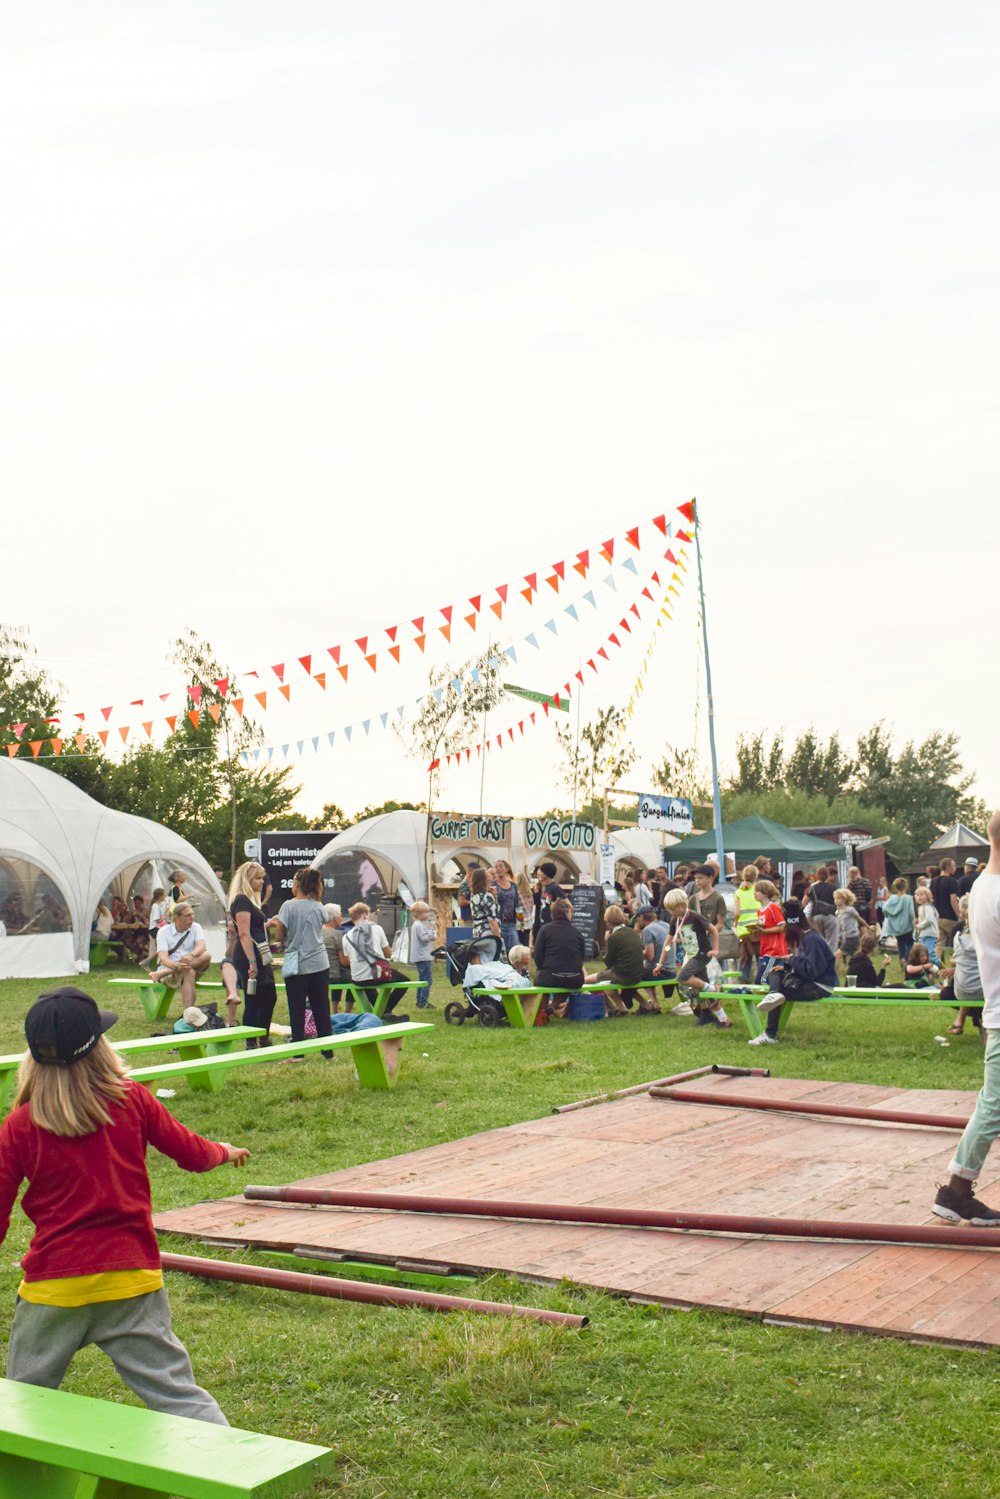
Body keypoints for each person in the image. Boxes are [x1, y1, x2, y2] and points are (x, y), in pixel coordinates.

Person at [0, 987, 248, 1421]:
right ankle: (233, 1475)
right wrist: (224, 1150)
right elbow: (192, 1153)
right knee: (179, 1396)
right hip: (131, 1278)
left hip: (54, 1287)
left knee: (23, 1408)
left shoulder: (20, 1125)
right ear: (99, 1048)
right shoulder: (132, 1099)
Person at [749, 910, 837, 1045]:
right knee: (775, 973)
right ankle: (773, 994)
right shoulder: (807, 937)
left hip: (820, 986)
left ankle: (770, 1034)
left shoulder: (811, 940)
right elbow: (807, 965)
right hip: (814, 981)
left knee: (780, 992)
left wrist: (792, 960)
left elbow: (813, 970)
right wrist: (787, 967)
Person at [271, 868, 333, 1049]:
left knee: (296, 1008)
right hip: (320, 963)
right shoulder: (319, 906)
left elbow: (280, 936)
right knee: (321, 1007)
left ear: (296, 884)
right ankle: (328, 1050)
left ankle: (298, 1051)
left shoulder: (288, 906)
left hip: (296, 964)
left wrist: (278, 925)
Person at [228, 862, 277, 1048]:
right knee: (255, 998)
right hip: (249, 954)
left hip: (259, 951)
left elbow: (252, 928)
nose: (262, 881)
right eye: (258, 878)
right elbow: (243, 933)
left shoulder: (250, 901)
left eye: (262, 877)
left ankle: (262, 1036)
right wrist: (252, 962)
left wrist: (267, 924)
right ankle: (252, 1041)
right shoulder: (241, 900)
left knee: (269, 996)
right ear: (247, 880)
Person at [663, 888, 727, 1026]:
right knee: (700, 986)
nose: (670, 912)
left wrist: (715, 949)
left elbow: (714, 930)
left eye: (672, 909)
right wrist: (660, 963)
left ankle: (713, 988)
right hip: (692, 955)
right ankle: (720, 1019)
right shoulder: (675, 920)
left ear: (682, 906)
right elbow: (667, 943)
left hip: (703, 954)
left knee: (682, 977)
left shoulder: (695, 917)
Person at [343, 903, 410, 1019]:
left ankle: (384, 1013)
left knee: (367, 981)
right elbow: (388, 953)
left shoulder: (346, 937)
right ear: (365, 916)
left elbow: (348, 960)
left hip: (357, 978)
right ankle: (386, 1011)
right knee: (404, 981)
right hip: (378, 975)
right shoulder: (376, 928)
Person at [151, 903, 210, 1008]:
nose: (191, 918)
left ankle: (190, 1013)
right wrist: (175, 966)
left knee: (207, 955)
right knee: (189, 972)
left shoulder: (196, 927)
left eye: (192, 914)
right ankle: (190, 1012)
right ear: (176, 917)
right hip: (170, 968)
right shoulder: (164, 931)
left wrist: (191, 955)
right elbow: (163, 958)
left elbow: (201, 945)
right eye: (187, 915)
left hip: (188, 965)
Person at [941, 893, 984, 1036]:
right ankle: (982, 1023)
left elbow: (955, 958)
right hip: (983, 984)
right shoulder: (988, 930)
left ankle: (962, 1021)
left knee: (967, 987)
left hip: (965, 987)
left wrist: (958, 966)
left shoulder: (958, 932)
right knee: (981, 983)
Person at [594, 905, 646, 1016]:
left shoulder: (614, 937)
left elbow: (608, 962)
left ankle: (618, 1008)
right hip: (638, 973)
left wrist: (606, 941)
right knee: (611, 979)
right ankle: (646, 1004)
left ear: (608, 921)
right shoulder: (632, 932)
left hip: (623, 975)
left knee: (594, 980)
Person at [532, 898, 587, 997]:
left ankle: (544, 1008)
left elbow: (538, 956)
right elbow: (581, 957)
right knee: (564, 982)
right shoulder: (577, 932)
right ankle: (553, 1007)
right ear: (567, 913)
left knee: (540, 980)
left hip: (550, 977)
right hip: (575, 978)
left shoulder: (545, 930)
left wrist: (541, 968)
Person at [754, 880, 788, 985]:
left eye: (756, 891)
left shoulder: (773, 907)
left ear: (764, 893)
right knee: (765, 980)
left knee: (761, 980)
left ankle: (772, 998)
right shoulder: (759, 910)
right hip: (764, 948)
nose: (754, 894)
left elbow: (782, 926)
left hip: (774, 949)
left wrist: (764, 931)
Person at [321, 904, 354, 1013]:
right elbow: (344, 962)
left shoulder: (317, 932)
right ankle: (347, 1011)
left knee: (339, 971)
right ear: (334, 917)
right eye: (340, 915)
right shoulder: (337, 934)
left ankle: (334, 1010)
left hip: (320, 974)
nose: (341, 918)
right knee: (355, 977)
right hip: (333, 975)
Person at [469, 867, 503, 960]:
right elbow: (492, 920)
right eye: (488, 874)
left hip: (478, 933)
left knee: (484, 960)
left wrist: (494, 897)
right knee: (495, 960)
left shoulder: (474, 896)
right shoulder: (487, 896)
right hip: (489, 933)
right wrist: (498, 939)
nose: (490, 876)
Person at [733, 866, 761, 981]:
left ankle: (742, 985)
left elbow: (736, 912)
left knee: (744, 959)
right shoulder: (758, 891)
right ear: (756, 877)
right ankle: (762, 982)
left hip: (743, 931)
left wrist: (735, 923)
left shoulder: (738, 892)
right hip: (758, 930)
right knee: (761, 959)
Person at [881, 877, 915, 967]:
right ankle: (905, 958)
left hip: (895, 927)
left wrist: (888, 916)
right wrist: (914, 922)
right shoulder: (908, 898)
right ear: (906, 887)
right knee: (910, 943)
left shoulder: (892, 898)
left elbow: (884, 909)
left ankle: (901, 963)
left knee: (900, 945)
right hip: (907, 926)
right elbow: (911, 912)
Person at [409, 901, 437, 1010]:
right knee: (427, 980)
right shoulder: (419, 926)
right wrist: (431, 931)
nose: (427, 915)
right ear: (418, 914)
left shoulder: (417, 925)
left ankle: (419, 1000)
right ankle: (423, 1001)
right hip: (423, 956)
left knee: (422, 979)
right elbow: (424, 938)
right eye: (425, 913)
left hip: (420, 956)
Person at [806, 866, 839, 958]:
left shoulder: (812, 888)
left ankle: (820, 961)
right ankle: (829, 961)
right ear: (828, 876)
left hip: (816, 916)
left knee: (820, 941)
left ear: (817, 876)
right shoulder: (834, 888)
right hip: (830, 916)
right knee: (831, 941)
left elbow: (804, 903)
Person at [833, 887, 869, 971]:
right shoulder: (837, 912)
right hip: (845, 937)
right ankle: (862, 969)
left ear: (844, 899)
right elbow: (840, 926)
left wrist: (868, 926)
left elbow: (859, 919)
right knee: (855, 957)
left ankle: (834, 974)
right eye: (835, 898)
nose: (836, 900)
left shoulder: (850, 910)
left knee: (838, 954)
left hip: (853, 937)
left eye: (838, 898)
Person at [931, 858, 962, 952]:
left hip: (938, 916)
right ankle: (959, 962)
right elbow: (953, 900)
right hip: (950, 917)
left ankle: (936, 964)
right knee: (958, 940)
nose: (955, 868)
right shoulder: (951, 881)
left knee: (939, 944)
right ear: (948, 868)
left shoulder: (933, 881)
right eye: (953, 866)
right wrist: (959, 916)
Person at [492, 861, 521, 956]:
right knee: (500, 953)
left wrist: (521, 920)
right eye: (496, 867)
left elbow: (517, 903)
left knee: (515, 952)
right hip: (498, 923)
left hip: (511, 924)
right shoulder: (493, 885)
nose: (498, 869)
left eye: (501, 866)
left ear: (507, 869)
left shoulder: (513, 886)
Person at [534, 862, 565, 930]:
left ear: (547, 874)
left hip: (550, 928)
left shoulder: (555, 888)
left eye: (541, 871)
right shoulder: (541, 888)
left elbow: (566, 905)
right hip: (539, 926)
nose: (538, 873)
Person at [914, 886, 941, 962]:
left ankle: (941, 969)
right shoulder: (921, 908)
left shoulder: (928, 907)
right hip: (923, 934)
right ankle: (931, 971)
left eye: (922, 894)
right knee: (924, 954)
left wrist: (918, 926)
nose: (919, 897)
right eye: (917, 895)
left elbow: (929, 920)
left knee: (930, 954)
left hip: (930, 934)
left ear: (928, 895)